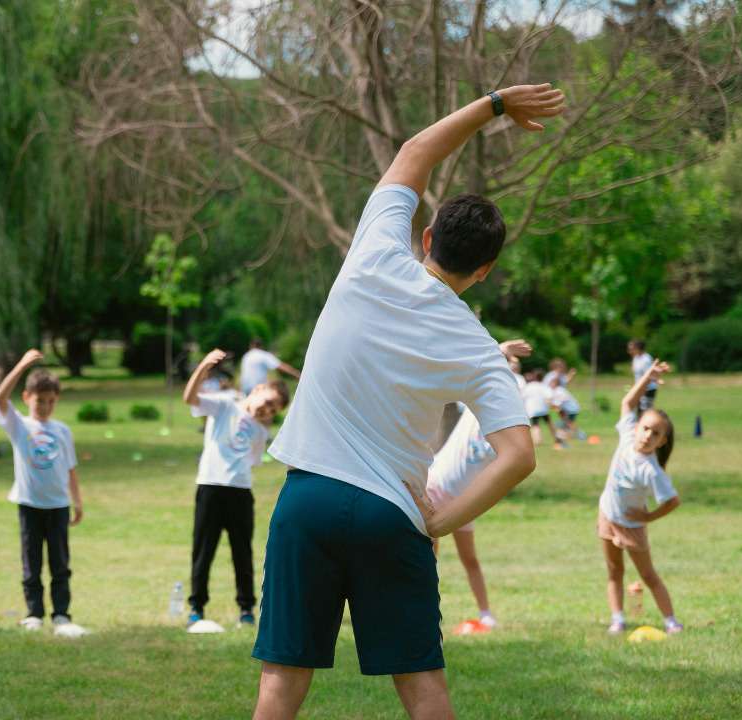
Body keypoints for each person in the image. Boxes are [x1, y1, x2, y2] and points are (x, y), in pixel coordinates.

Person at [252, 84, 561, 720]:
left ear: (425, 239)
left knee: (281, 685)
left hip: (307, 500)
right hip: (392, 515)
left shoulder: (373, 254)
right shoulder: (477, 346)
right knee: (423, 688)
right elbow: (518, 454)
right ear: (485, 271)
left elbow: (416, 149)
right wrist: (442, 520)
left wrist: (496, 104)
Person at [424, 340, 530, 632]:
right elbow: (475, 365)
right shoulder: (475, 404)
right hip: (436, 487)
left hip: (467, 499)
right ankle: (426, 615)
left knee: (469, 558)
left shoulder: (509, 428)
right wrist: (501, 349)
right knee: (426, 558)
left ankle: (486, 614)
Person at [182, 349, 289, 628]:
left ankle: (246, 609)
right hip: (210, 486)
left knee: (242, 552)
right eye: (269, 401)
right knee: (203, 549)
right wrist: (204, 366)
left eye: (274, 410)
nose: (268, 409)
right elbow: (189, 399)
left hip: (240, 492)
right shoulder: (225, 405)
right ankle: (197, 606)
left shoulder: (261, 431)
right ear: (258, 389)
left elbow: (251, 461)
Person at [0, 350, 87, 638]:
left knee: (60, 564)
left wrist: (77, 500)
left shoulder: (62, 430)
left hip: (58, 505)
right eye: (39, 401)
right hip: (30, 504)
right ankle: (34, 613)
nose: (45, 406)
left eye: (50, 401)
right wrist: (21, 364)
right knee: (31, 562)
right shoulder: (19, 426)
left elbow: (70, 467)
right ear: (27, 398)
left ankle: (61, 614)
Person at [599, 359, 681, 635]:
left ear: (662, 442)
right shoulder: (626, 437)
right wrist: (648, 376)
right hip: (608, 514)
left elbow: (672, 501)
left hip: (632, 525)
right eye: (645, 428)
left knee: (648, 575)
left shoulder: (652, 470)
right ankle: (617, 619)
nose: (647, 435)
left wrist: (648, 517)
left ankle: (671, 621)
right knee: (614, 570)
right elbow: (627, 402)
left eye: (656, 433)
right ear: (636, 428)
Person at [521, 369, 563, 449]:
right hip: (543, 408)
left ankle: (538, 441)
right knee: (550, 423)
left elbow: (522, 397)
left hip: (532, 409)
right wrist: (554, 406)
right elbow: (549, 397)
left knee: (535, 425)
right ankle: (557, 438)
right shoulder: (544, 386)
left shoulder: (528, 386)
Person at [548, 374, 586, 441]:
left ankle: (581, 436)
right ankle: (570, 436)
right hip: (570, 409)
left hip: (572, 409)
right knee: (567, 423)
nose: (550, 384)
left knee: (569, 423)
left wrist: (549, 404)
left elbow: (558, 404)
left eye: (551, 383)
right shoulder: (557, 390)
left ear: (555, 384)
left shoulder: (559, 391)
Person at [628, 340, 657, 417]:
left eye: (631, 349)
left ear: (638, 348)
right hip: (639, 388)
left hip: (648, 389)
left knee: (645, 412)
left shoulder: (646, 359)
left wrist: (642, 389)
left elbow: (649, 376)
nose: (629, 351)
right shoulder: (636, 358)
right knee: (638, 411)